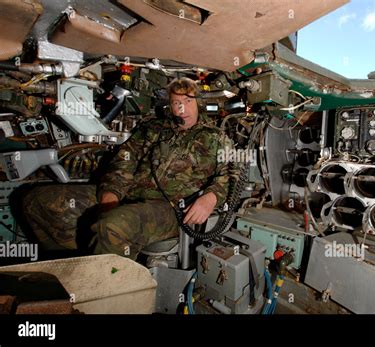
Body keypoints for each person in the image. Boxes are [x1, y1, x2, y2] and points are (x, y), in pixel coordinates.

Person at [23, 77, 232, 260]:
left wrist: (211, 198)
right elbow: (125, 160)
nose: (182, 108)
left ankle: (106, 291)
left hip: (172, 209)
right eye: (177, 102)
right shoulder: (153, 129)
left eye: (188, 101)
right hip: (129, 194)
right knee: (38, 201)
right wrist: (111, 194)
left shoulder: (216, 137)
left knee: (112, 226)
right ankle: (75, 264)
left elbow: (231, 173)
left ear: (199, 103)